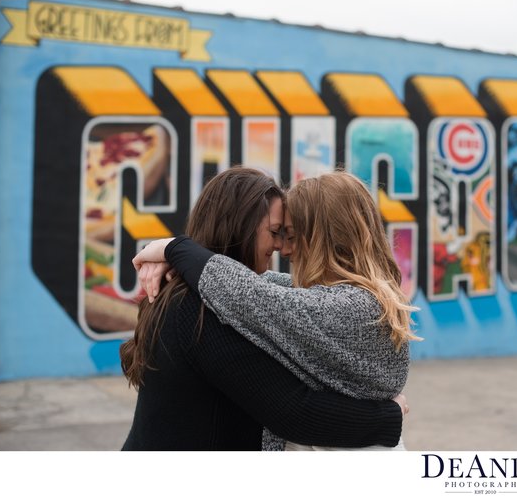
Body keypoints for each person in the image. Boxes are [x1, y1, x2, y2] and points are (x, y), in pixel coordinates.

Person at [120, 167, 406, 450]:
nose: (282, 247)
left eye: (289, 235)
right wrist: (389, 417)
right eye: (276, 232)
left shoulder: (348, 305)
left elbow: (261, 292)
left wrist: (177, 250)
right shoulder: (199, 307)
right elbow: (293, 412)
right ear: (242, 226)